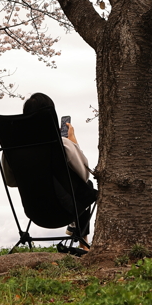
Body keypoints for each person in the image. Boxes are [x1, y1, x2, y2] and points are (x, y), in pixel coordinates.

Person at [22, 92, 95, 247]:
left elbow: (11, 181)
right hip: (63, 212)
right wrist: (73, 143)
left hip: (34, 211)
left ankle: (79, 234)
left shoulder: (15, 148)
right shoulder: (61, 144)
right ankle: (83, 241)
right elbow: (84, 174)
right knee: (87, 187)